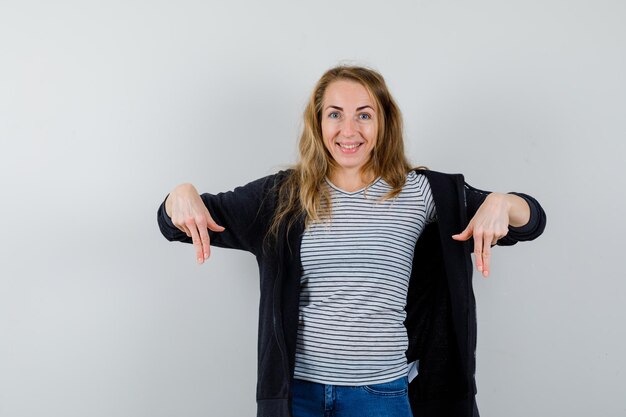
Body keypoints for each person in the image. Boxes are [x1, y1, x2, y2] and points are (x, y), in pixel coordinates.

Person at [157, 65, 546, 417]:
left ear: (384, 122)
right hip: (298, 396)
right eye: (335, 114)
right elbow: (177, 222)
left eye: (364, 114)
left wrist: (501, 202)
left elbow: (531, 220)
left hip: (382, 395)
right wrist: (180, 193)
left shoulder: (423, 193)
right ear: (318, 123)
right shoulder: (284, 195)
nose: (349, 130)